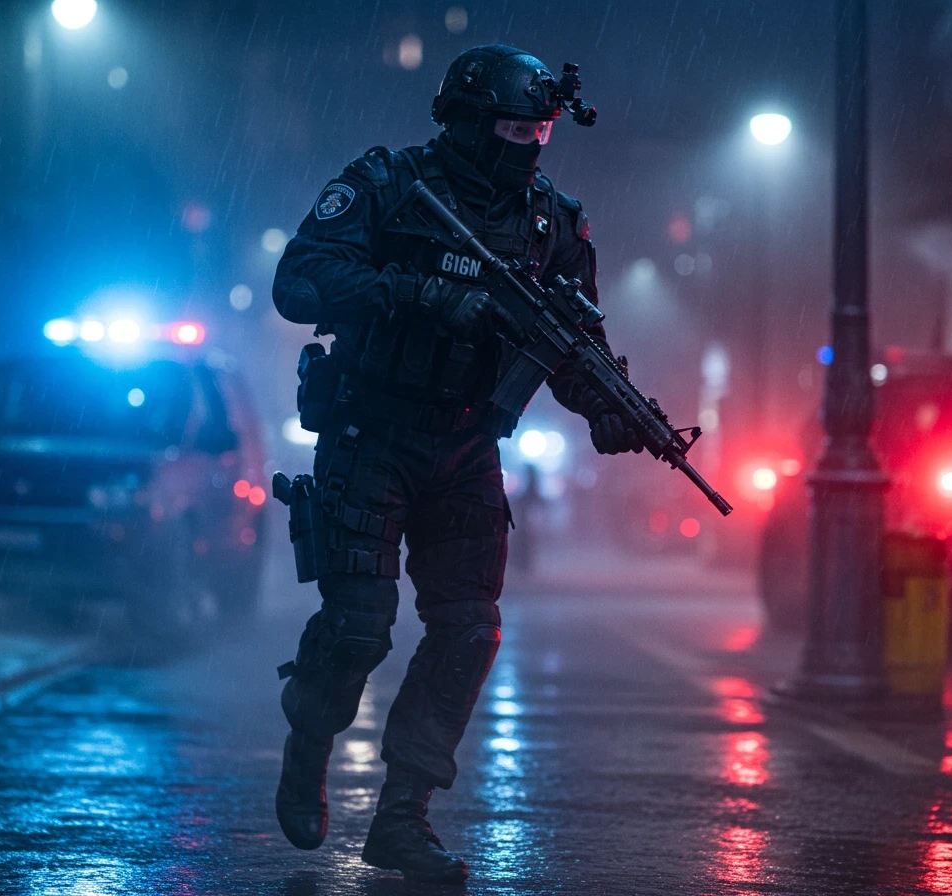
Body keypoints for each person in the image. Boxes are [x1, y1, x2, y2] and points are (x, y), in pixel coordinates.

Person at [270, 43, 642, 883]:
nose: (526, 145)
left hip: (468, 446)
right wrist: (415, 292)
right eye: (512, 127)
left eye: (539, 130)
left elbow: (576, 343)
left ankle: (402, 819)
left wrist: (609, 409)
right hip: (371, 434)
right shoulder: (390, 186)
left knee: (469, 631)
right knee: (360, 630)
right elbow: (300, 281)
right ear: (470, 121)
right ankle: (308, 741)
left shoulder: (552, 222)